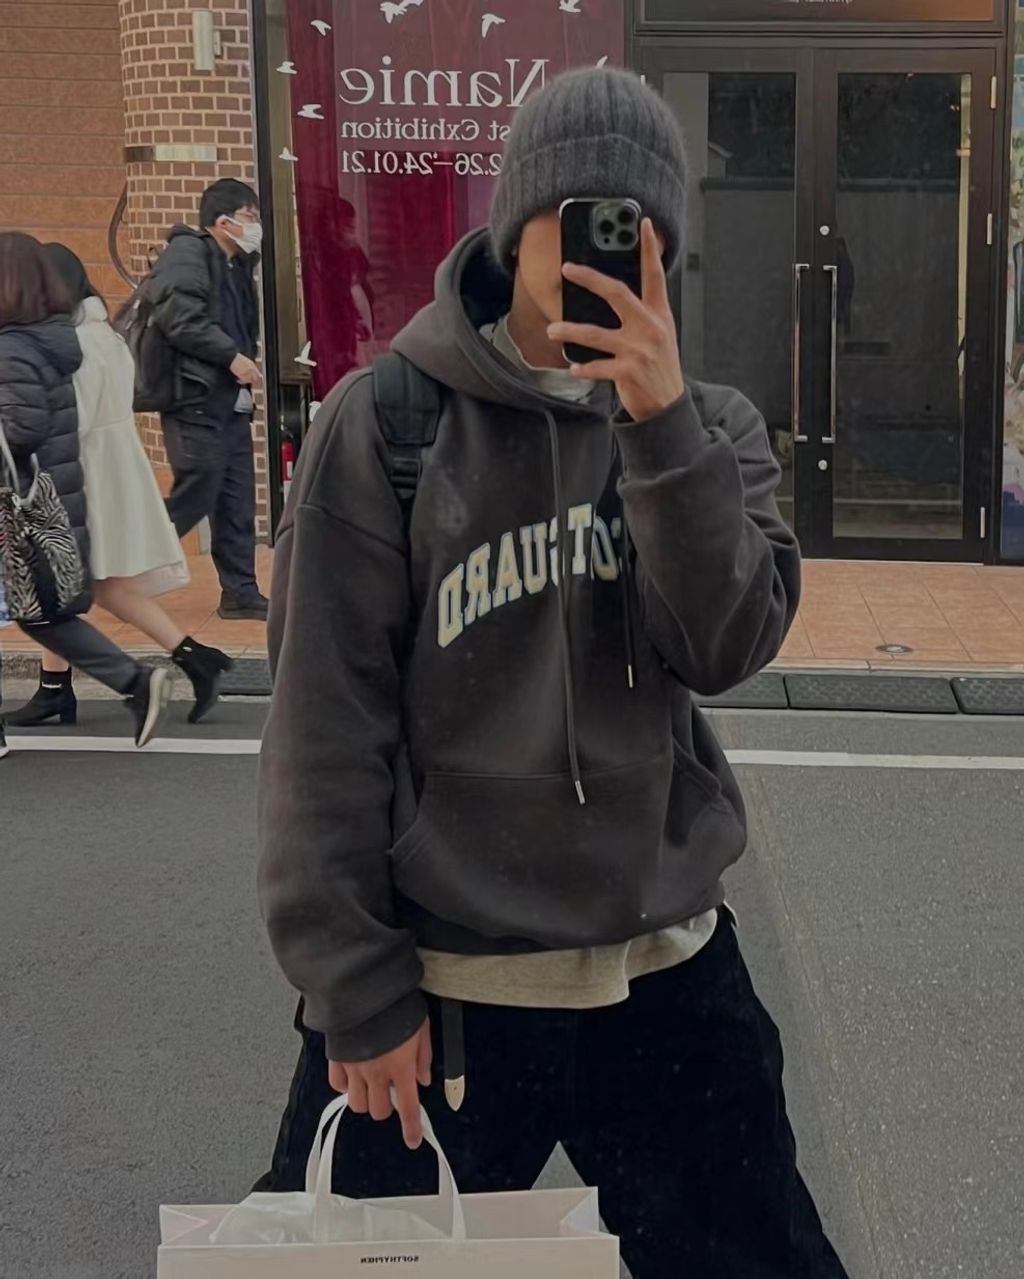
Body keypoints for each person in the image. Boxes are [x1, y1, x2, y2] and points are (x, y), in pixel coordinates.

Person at [258, 69, 849, 1279]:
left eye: (634, 227)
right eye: (573, 216)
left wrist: (658, 425)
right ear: (513, 222)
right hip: (450, 985)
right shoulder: (387, 424)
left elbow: (725, 647)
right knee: (358, 1265)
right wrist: (355, 992)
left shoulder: (713, 427)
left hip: (664, 968)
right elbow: (323, 727)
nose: (600, 249)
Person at [4, 244, 233, 730]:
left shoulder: (70, 346)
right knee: (70, 588)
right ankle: (58, 687)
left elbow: (66, 422)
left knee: (74, 586)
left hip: (82, 474)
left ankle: (184, 660)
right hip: (109, 467)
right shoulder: (102, 334)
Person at [0, 232, 169, 748]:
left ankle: (135, 681)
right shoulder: (54, 340)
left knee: (42, 612)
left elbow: (20, 428)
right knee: (44, 614)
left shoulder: (12, 348)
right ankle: (135, 682)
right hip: (51, 496)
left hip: (18, 503)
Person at [149, 178, 268, 621]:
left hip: (228, 402)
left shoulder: (235, 265)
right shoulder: (188, 254)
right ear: (222, 221)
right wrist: (232, 356)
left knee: (236, 499)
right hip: (194, 398)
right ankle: (127, 571)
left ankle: (240, 592)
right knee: (198, 488)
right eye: (249, 217)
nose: (255, 226)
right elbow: (179, 317)